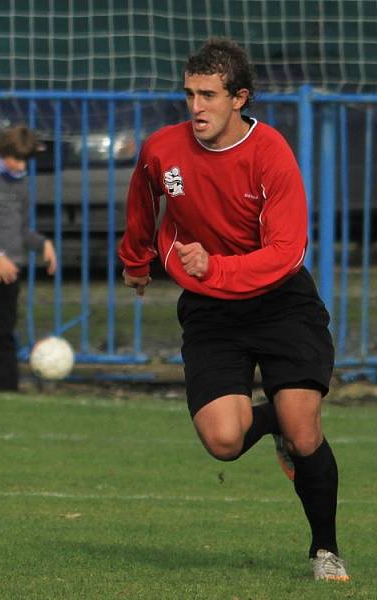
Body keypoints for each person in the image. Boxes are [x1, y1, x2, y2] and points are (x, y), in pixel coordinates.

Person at [118, 38, 349, 582]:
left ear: (240, 97)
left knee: (307, 433)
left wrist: (214, 268)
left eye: (208, 95)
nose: (195, 107)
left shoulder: (270, 153)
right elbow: (142, 199)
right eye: (189, 94)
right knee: (223, 440)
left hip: (280, 303)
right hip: (211, 311)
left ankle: (325, 550)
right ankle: (274, 425)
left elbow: (287, 251)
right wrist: (136, 258)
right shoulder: (161, 149)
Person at [0, 126, 57, 390]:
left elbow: (22, 229)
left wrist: (43, 244)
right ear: (3, 153)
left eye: (24, 161)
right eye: (15, 159)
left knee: (4, 329)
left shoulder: (23, 185)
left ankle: (5, 384)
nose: (19, 165)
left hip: (10, 270)